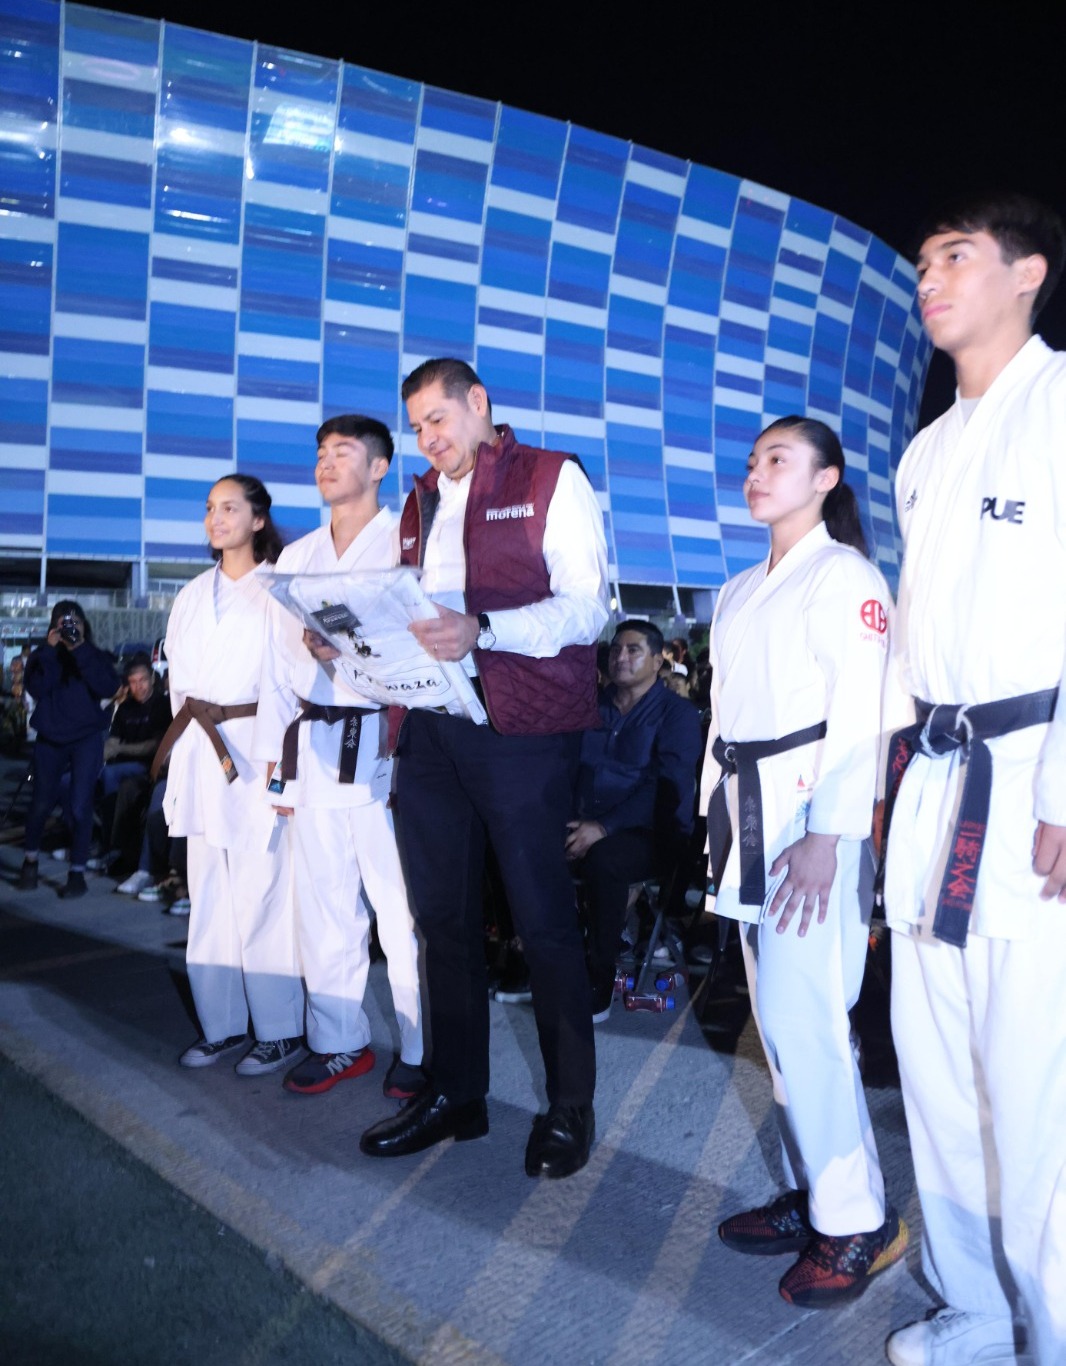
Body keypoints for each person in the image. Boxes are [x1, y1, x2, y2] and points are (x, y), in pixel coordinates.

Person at [880, 194, 1066, 1366]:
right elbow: (908, 645)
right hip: (933, 786)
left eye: (955, 257)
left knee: (1038, 1098)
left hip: (1030, 783)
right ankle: (970, 1308)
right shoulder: (924, 450)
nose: (928, 278)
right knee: (935, 1077)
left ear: (1027, 274)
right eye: (921, 263)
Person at [358, 357, 609, 1179]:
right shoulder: (418, 502)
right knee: (442, 924)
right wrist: (354, 643)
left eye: (440, 418)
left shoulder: (548, 477)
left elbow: (588, 607)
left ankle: (570, 1106)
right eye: (419, 428)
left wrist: (483, 631)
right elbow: (410, 612)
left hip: (521, 731)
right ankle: (457, 1094)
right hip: (428, 729)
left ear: (479, 404)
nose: (430, 440)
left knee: (542, 923)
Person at [703, 416, 907, 1307]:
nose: (757, 473)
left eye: (778, 460)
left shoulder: (848, 576)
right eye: (753, 462)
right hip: (747, 822)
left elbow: (862, 711)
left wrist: (831, 834)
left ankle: (857, 1219)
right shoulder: (742, 587)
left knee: (808, 1018)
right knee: (776, 1026)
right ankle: (816, 1190)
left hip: (809, 823)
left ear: (826, 480)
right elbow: (723, 719)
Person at [253, 415, 425, 1099]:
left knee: (401, 908)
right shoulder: (294, 558)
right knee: (323, 904)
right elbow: (274, 671)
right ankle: (338, 1040)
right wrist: (276, 767)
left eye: (342, 453)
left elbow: (418, 649)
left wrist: (350, 651)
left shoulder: (403, 544)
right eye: (320, 453)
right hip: (313, 744)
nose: (326, 463)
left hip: (386, 742)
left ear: (379, 466)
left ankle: (419, 1046)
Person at [157, 475, 304, 1077]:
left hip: (255, 754)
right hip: (200, 754)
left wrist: (282, 772)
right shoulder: (192, 594)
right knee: (209, 899)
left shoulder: (277, 591)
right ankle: (221, 1027)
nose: (216, 518)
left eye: (229, 508)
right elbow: (178, 686)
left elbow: (292, 684)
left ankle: (279, 1031)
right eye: (210, 509)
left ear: (259, 519)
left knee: (263, 896)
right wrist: (185, 758)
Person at [567, 620, 702, 1022]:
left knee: (605, 860)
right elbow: (567, 767)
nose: (621, 658)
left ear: (659, 660)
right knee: (520, 840)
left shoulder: (677, 714)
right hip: (585, 822)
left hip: (653, 832)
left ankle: (599, 976)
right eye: (615, 650)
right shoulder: (592, 706)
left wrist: (603, 826)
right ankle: (537, 960)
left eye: (633, 650)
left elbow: (666, 785)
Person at [16, 601, 120, 898]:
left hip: (86, 737)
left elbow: (107, 686)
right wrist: (49, 652)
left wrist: (80, 649)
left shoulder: (94, 655)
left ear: (85, 626)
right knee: (41, 803)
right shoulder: (44, 656)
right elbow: (36, 689)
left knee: (79, 804)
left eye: (76, 622)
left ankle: (77, 872)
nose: (71, 628)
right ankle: (30, 861)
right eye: (64, 624)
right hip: (50, 737)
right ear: (54, 627)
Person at [97, 652, 171, 875]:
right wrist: (109, 749)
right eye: (133, 682)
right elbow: (113, 740)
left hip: (148, 765)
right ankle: (98, 842)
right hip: (122, 763)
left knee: (112, 776)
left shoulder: (161, 704)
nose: (139, 686)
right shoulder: (125, 708)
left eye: (143, 680)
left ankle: (113, 846)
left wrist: (119, 749)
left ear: (152, 678)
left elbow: (154, 745)